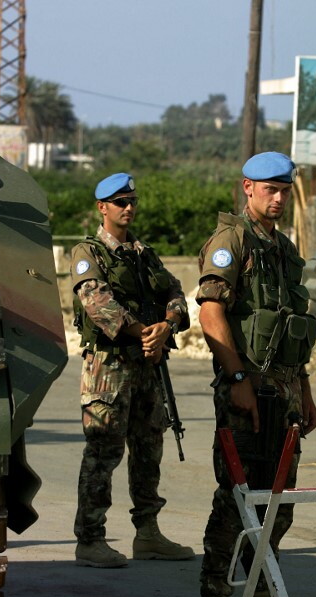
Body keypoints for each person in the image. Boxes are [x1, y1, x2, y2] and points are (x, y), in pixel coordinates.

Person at [196, 151, 316, 597]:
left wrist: (304, 388)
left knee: (278, 507)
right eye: (270, 188)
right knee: (235, 503)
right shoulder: (232, 242)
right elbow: (210, 314)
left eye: (285, 189)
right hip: (247, 395)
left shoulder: (282, 248)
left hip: (284, 393)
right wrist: (239, 377)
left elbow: (291, 327)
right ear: (247, 187)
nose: (279, 197)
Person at [70, 172, 194, 568]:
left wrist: (167, 326)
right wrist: (146, 333)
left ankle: (148, 534)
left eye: (132, 201)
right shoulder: (87, 252)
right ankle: (90, 540)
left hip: (147, 366)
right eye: (120, 202)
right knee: (103, 452)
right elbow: (98, 305)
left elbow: (177, 294)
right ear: (102, 207)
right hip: (109, 366)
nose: (128, 208)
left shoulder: (145, 255)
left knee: (148, 450)